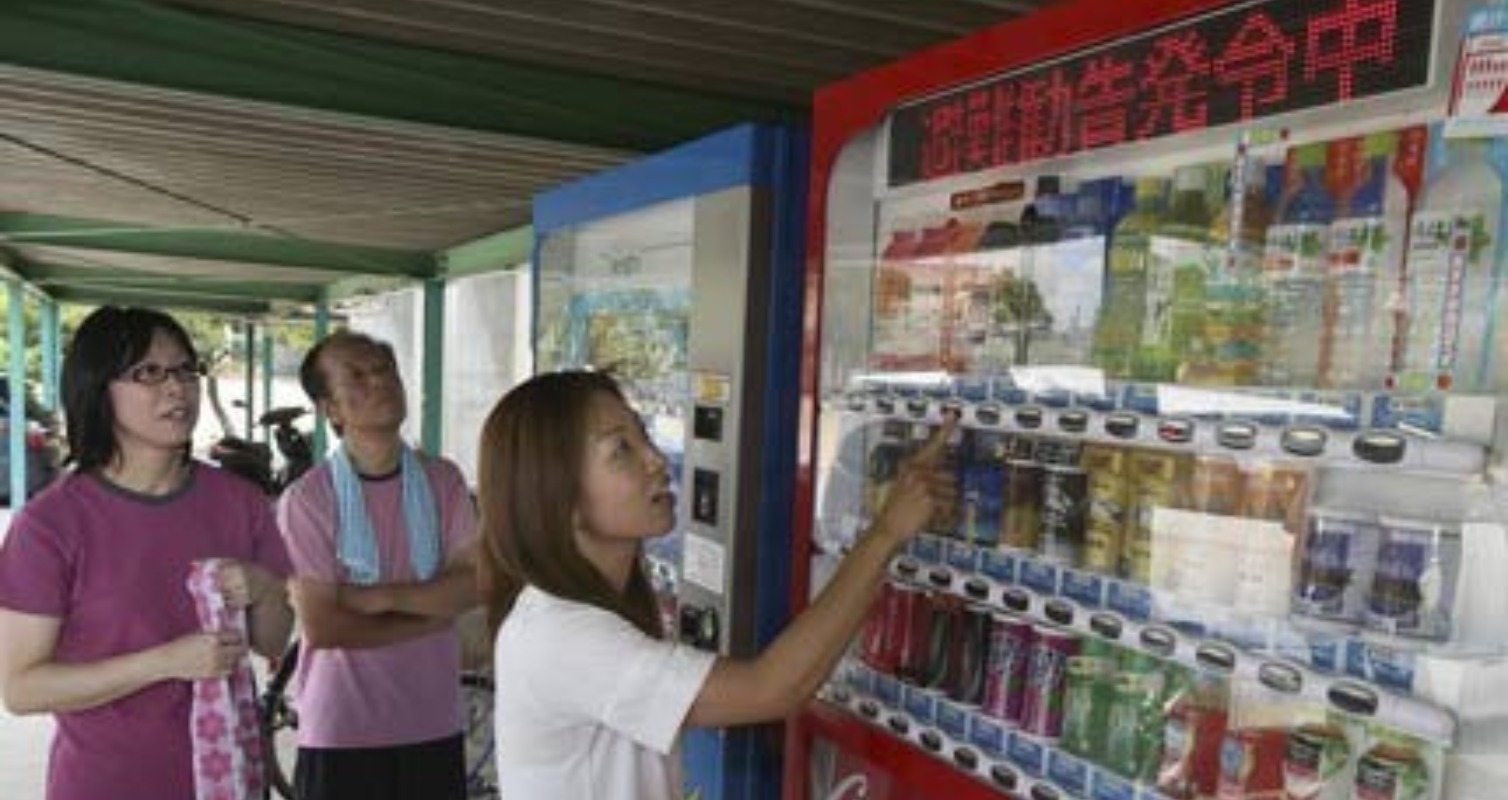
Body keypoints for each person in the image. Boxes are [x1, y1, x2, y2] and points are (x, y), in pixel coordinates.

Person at [476, 370, 956, 799]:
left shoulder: (573, 611)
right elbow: (773, 688)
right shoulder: (564, 637)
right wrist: (888, 532)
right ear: (558, 495)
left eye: (643, 436)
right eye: (620, 450)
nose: (655, 460)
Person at [0, 305, 295, 800]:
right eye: (148, 373)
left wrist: (264, 588)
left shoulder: (240, 502)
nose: (177, 388)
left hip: (234, 781)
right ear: (97, 389)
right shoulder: (51, 524)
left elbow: (272, 640)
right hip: (106, 785)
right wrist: (164, 662)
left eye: (185, 370)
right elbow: (22, 688)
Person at [277, 330, 479, 800]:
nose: (380, 381)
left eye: (385, 370)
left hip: (432, 720)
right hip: (343, 729)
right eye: (358, 375)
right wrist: (435, 612)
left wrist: (377, 598)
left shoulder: (443, 481)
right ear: (332, 410)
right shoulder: (309, 499)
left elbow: (472, 585)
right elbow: (325, 627)